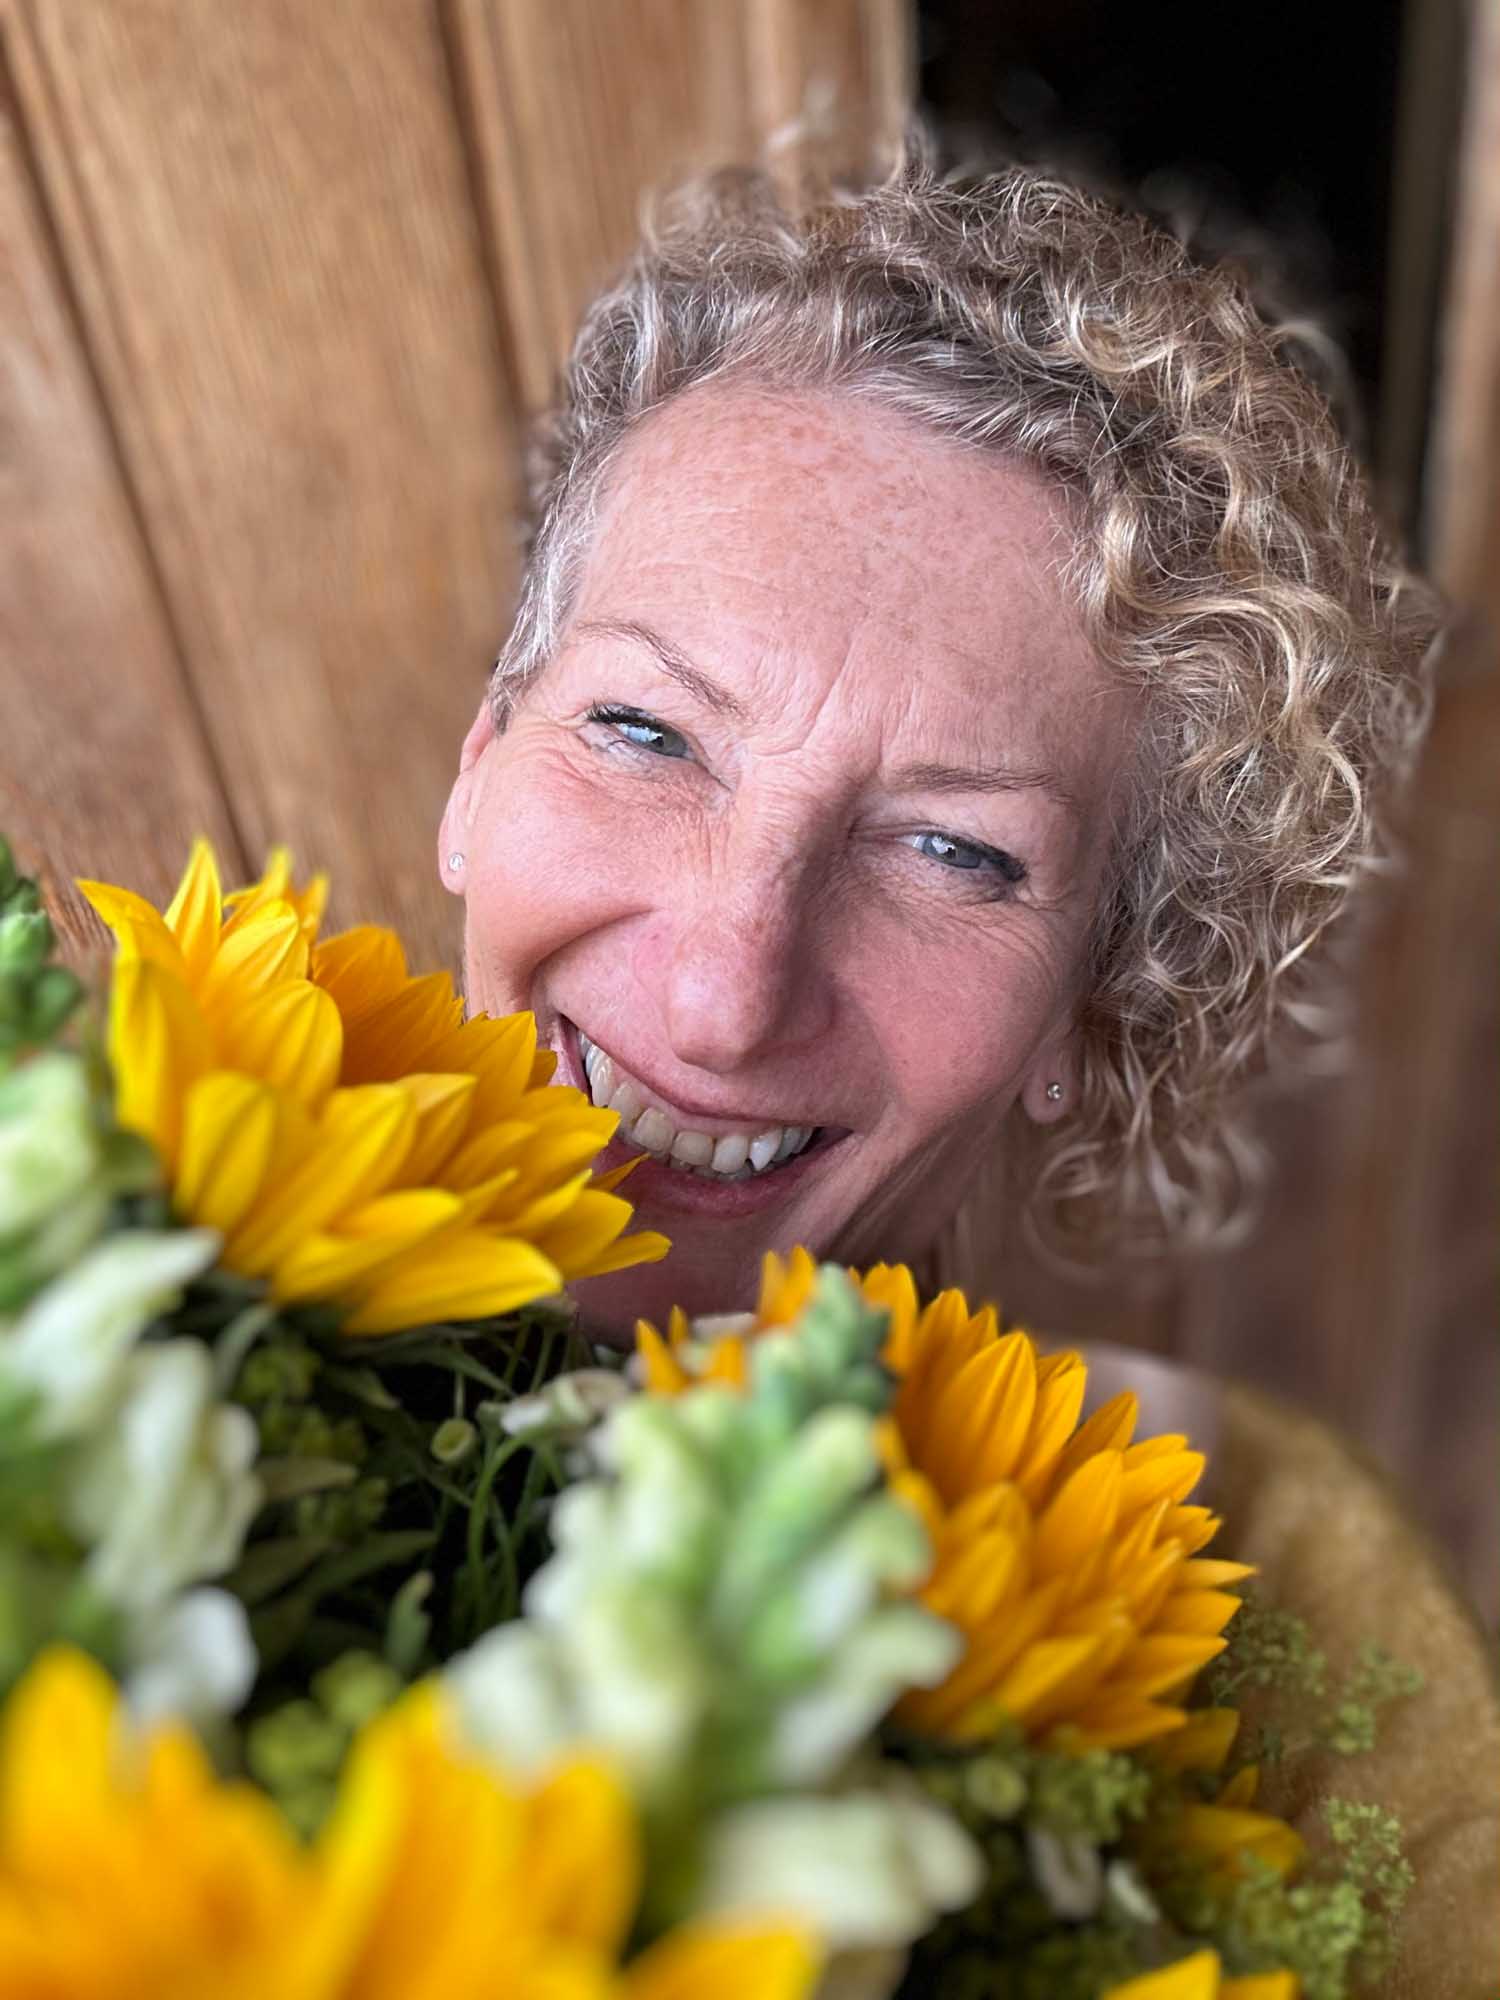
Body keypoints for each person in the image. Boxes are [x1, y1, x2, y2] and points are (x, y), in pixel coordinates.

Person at [438, 149, 1437, 1339]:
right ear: (479, 762)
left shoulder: (1258, 1521)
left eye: (953, 851)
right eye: (646, 731)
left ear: (1097, 993)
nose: (724, 1004)